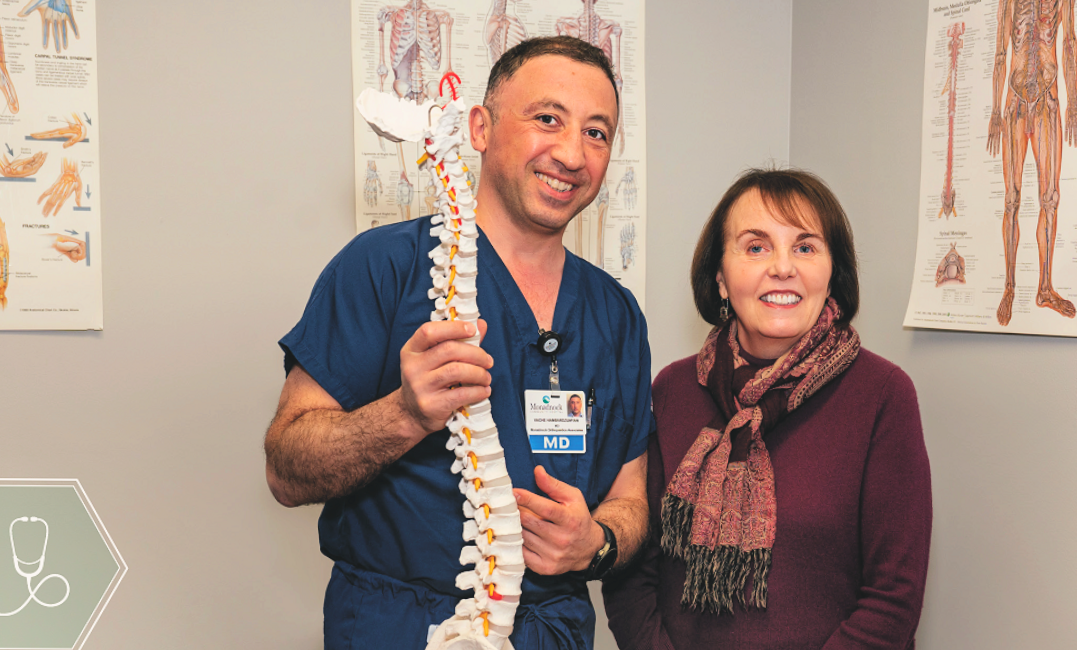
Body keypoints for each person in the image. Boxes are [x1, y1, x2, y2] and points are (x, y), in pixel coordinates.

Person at [265, 36, 653, 649]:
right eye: (547, 118)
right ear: (479, 128)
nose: (572, 153)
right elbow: (286, 469)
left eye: (597, 132)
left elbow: (631, 497)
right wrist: (403, 415)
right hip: (395, 626)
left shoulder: (616, 314)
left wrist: (596, 543)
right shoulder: (382, 269)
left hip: (553, 627)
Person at [603, 169, 932, 649]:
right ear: (719, 278)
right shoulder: (672, 389)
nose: (783, 267)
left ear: (832, 272)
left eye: (805, 247)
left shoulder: (883, 394)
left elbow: (892, 598)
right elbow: (633, 573)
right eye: (756, 247)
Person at [987, 0, 1077, 325]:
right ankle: (1009, 286)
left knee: (1050, 198)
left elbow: (1068, 44)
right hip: (1015, 101)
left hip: (1048, 101)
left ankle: (1045, 287)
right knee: (1011, 199)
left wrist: (1074, 102)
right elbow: (1000, 51)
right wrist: (995, 110)